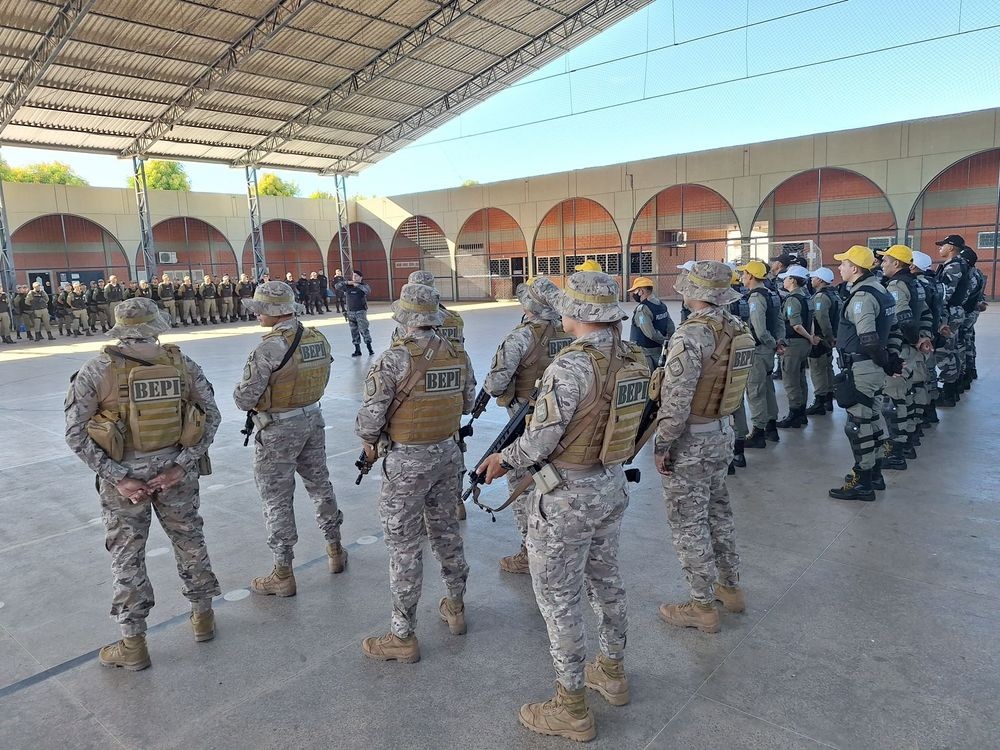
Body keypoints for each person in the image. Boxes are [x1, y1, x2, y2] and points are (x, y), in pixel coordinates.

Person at [476, 270, 647, 743]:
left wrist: (501, 459)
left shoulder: (571, 367)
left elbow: (541, 440)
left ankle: (571, 706)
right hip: (609, 484)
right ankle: (611, 671)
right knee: (606, 582)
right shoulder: (633, 357)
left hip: (568, 496)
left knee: (559, 598)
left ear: (577, 314)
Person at [64, 297, 222, 670]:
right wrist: (181, 467)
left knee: (127, 555)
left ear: (120, 328)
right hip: (175, 472)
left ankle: (133, 644)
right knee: (190, 541)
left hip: (125, 478)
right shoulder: (182, 364)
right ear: (156, 326)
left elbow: (75, 433)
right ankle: (203, 618)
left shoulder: (96, 370)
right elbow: (210, 417)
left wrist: (119, 478)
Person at [356, 283, 476, 664]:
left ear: (403, 317)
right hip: (447, 453)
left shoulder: (392, 359)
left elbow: (370, 420)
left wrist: (370, 440)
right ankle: (455, 607)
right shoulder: (457, 353)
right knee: (446, 532)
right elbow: (469, 401)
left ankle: (402, 635)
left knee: (404, 545)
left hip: (407, 462)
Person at [654, 261, 753, 635]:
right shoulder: (737, 327)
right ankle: (730, 588)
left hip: (692, 438)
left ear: (695, 292)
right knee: (718, 512)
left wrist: (663, 444)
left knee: (688, 522)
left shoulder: (690, 335)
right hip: (723, 431)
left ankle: (700, 606)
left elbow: (677, 399)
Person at [234, 281, 346, 596]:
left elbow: (245, 398)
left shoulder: (268, 347)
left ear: (271, 312)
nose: (256, 315)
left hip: (279, 428)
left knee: (277, 498)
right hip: (312, 418)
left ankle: (283, 571)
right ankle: (335, 548)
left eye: (259, 310)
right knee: (320, 486)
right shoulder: (317, 339)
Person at [483, 277, 571, 573]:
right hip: (566, 420)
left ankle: (529, 551)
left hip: (527, 421)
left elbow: (495, 385)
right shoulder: (569, 331)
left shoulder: (521, 336)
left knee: (522, 484)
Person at [828, 246, 898, 501]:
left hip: (863, 368)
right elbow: (895, 329)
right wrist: (890, 361)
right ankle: (874, 474)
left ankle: (863, 480)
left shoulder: (862, 298)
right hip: (872, 367)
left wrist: (886, 362)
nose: (840, 268)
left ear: (855, 269)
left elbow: (868, 339)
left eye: (843, 264)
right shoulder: (882, 291)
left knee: (859, 426)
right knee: (872, 420)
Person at [877, 244, 930, 469]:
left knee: (894, 398)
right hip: (914, 347)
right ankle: (908, 440)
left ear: (897, 264)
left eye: (885, 261)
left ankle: (896, 451)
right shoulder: (916, 283)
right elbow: (926, 312)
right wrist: (925, 337)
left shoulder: (897, 285)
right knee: (908, 395)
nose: (882, 264)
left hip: (902, 348)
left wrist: (915, 338)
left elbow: (904, 318)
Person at [737, 260, 781, 447]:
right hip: (769, 351)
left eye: (744, 273)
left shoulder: (755, 299)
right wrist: (779, 343)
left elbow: (760, 330)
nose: (742, 277)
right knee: (768, 387)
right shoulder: (772, 294)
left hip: (758, 350)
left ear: (751, 276)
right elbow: (779, 322)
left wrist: (771, 343)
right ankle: (771, 427)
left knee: (755, 391)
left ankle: (758, 433)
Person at [775, 265, 816, 428]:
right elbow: (810, 320)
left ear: (792, 280)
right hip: (804, 344)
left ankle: (794, 414)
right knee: (800, 378)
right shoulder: (806, 297)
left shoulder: (792, 299)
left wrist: (809, 337)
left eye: (786, 278)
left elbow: (796, 325)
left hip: (794, 343)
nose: (784, 281)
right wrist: (811, 338)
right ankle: (802, 412)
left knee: (791, 380)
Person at [933, 235, 970, 406]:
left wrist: (939, 316)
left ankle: (947, 394)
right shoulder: (961, 264)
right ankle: (952, 389)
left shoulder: (954, 266)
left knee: (944, 352)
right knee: (952, 350)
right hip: (956, 311)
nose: (940, 248)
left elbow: (945, 294)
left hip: (950, 313)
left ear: (951, 247)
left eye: (943, 245)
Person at [805, 268, 839, 415]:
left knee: (818, 370)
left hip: (820, 338)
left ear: (819, 280)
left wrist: (827, 336)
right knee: (828, 368)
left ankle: (820, 400)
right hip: (830, 339)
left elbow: (822, 319)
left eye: (813, 278)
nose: (811, 280)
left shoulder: (820, 297)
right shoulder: (834, 293)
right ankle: (828, 399)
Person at [626, 275, 675, 372]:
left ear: (641, 291)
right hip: (660, 351)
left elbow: (650, 333)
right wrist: (668, 341)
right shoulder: (661, 305)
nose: (634, 294)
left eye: (635, 291)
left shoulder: (643, 309)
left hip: (645, 353)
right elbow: (670, 326)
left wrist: (663, 341)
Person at [958, 246, 986, 390]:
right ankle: (970, 371)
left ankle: (965, 374)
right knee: (968, 339)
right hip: (972, 311)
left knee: (963, 342)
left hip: (967, 312)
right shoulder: (977, 273)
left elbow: (965, 297)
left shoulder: (970, 274)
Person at [337, 270, 373, 356]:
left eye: (356, 276)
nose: (354, 277)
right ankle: (357, 350)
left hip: (360, 311)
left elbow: (368, 291)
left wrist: (358, 285)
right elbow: (337, 286)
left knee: (364, 330)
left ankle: (369, 348)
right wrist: (347, 282)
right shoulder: (348, 286)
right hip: (350, 312)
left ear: (361, 277)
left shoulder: (363, 286)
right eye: (353, 276)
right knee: (354, 331)